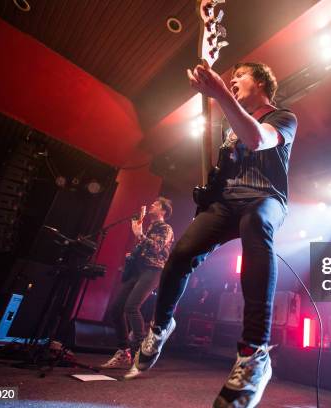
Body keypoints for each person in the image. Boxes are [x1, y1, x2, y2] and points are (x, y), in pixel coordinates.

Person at [127, 60, 298, 408]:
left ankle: (254, 354)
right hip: (225, 204)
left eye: (240, 78)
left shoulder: (283, 118)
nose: (233, 83)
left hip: (265, 199)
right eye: (230, 80)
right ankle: (160, 328)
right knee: (179, 257)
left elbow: (255, 138)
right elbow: (225, 164)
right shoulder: (228, 131)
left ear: (262, 82)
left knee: (257, 225)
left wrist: (218, 91)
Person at [100, 198, 174, 369]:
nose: (152, 205)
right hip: (137, 270)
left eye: (156, 205)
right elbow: (143, 249)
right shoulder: (149, 228)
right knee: (116, 309)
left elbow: (158, 248)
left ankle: (141, 352)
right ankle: (123, 351)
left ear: (163, 211)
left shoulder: (166, 228)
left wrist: (139, 235)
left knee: (131, 307)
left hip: (153, 271)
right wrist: (132, 256)